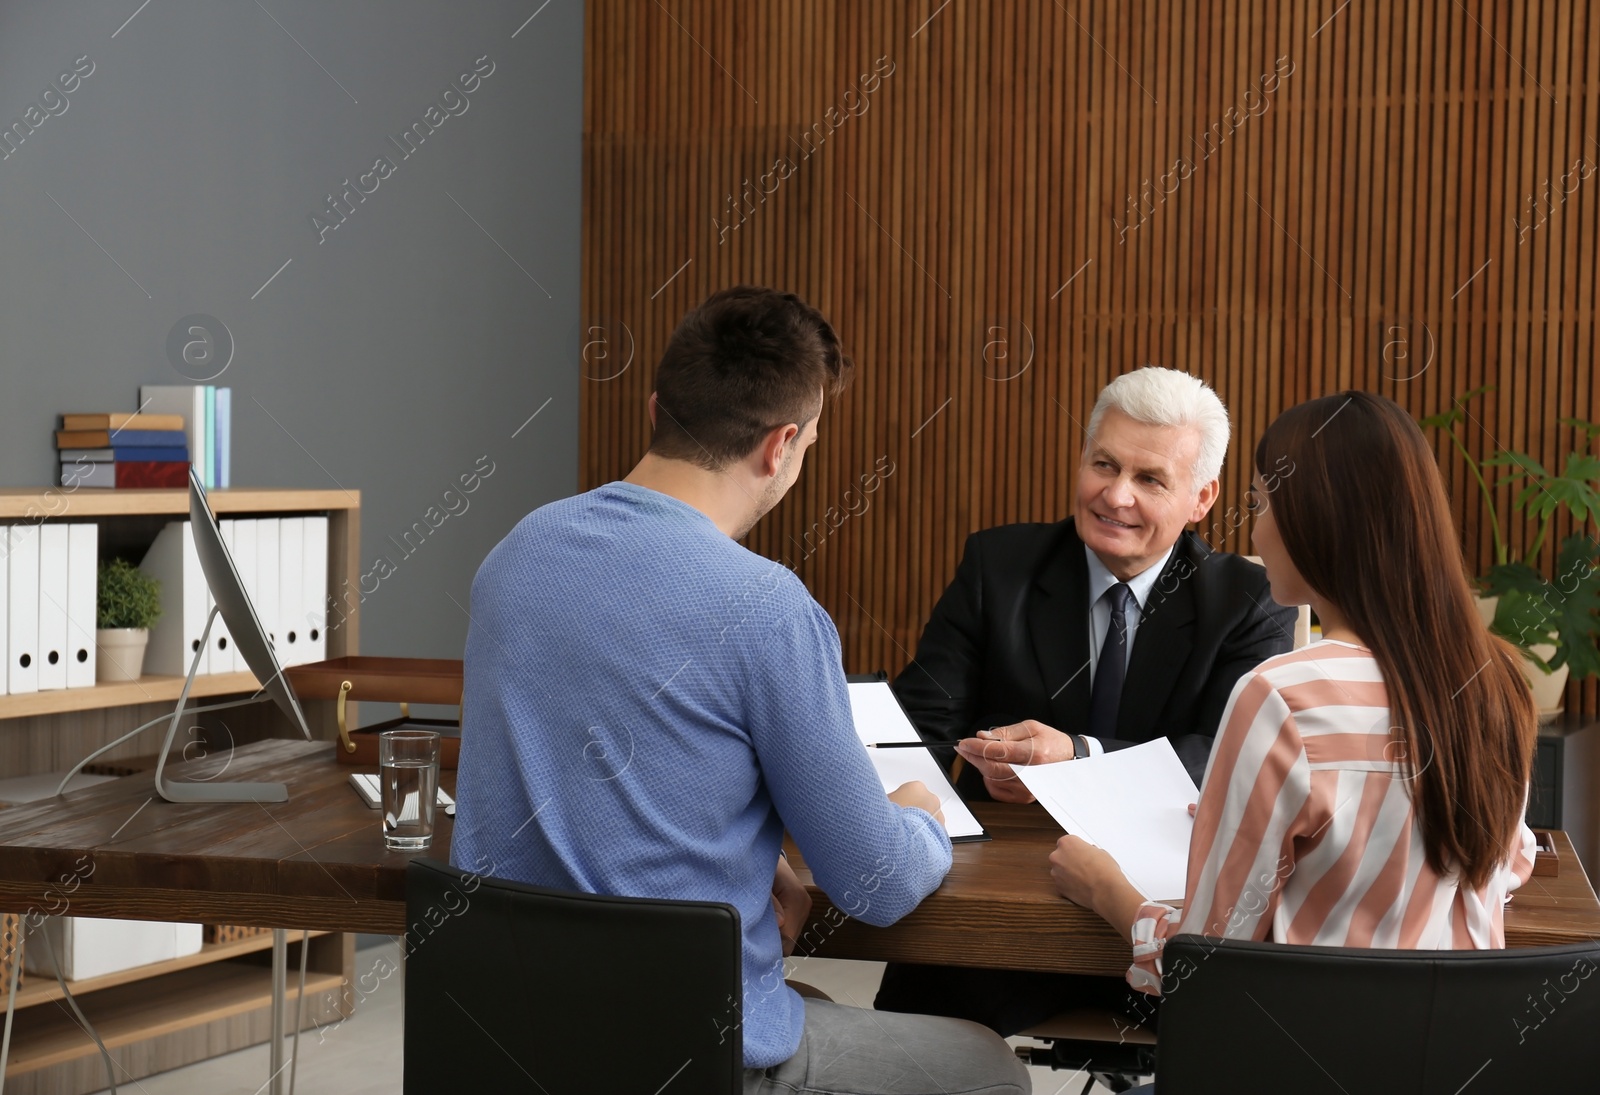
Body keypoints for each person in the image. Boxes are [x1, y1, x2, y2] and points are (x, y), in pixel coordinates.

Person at [451, 286, 1030, 1095]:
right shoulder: (766, 606)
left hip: (504, 1039)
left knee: (808, 1004)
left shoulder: (513, 557)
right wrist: (920, 814)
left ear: (657, 406)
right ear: (782, 444)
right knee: (988, 1068)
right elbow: (876, 883)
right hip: (683, 1054)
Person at [1048, 391, 1538, 1083]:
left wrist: (1108, 891)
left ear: (1319, 522)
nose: (1254, 535)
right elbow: (1509, 860)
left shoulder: (1281, 694)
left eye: (1263, 505)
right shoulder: (1498, 680)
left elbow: (1207, 967)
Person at [877, 366, 1297, 1033]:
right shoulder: (999, 567)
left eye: (1150, 478)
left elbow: (1226, 758)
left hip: (1165, 905)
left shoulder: (1247, 603)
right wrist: (943, 778)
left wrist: (1076, 756)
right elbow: (916, 728)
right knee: (911, 1044)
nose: (1116, 495)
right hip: (1003, 911)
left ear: (1202, 497)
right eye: (1104, 463)